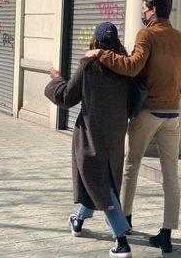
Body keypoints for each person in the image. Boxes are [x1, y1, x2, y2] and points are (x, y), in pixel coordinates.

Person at [85, 0, 181, 253]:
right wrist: (171, 93)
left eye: (144, 9)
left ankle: (124, 222)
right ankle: (166, 234)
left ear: (152, 10)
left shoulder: (147, 35)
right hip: (172, 115)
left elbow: (131, 67)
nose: (142, 13)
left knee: (130, 166)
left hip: (148, 113)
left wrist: (100, 55)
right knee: (171, 176)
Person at [45, 22, 132, 258]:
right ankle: (78, 221)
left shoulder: (89, 65)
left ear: (95, 41)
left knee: (101, 184)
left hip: (90, 134)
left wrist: (56, 79)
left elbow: (66, 96)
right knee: (97, 180)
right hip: (115, 133)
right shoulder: (126, 67)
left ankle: (121, 240)